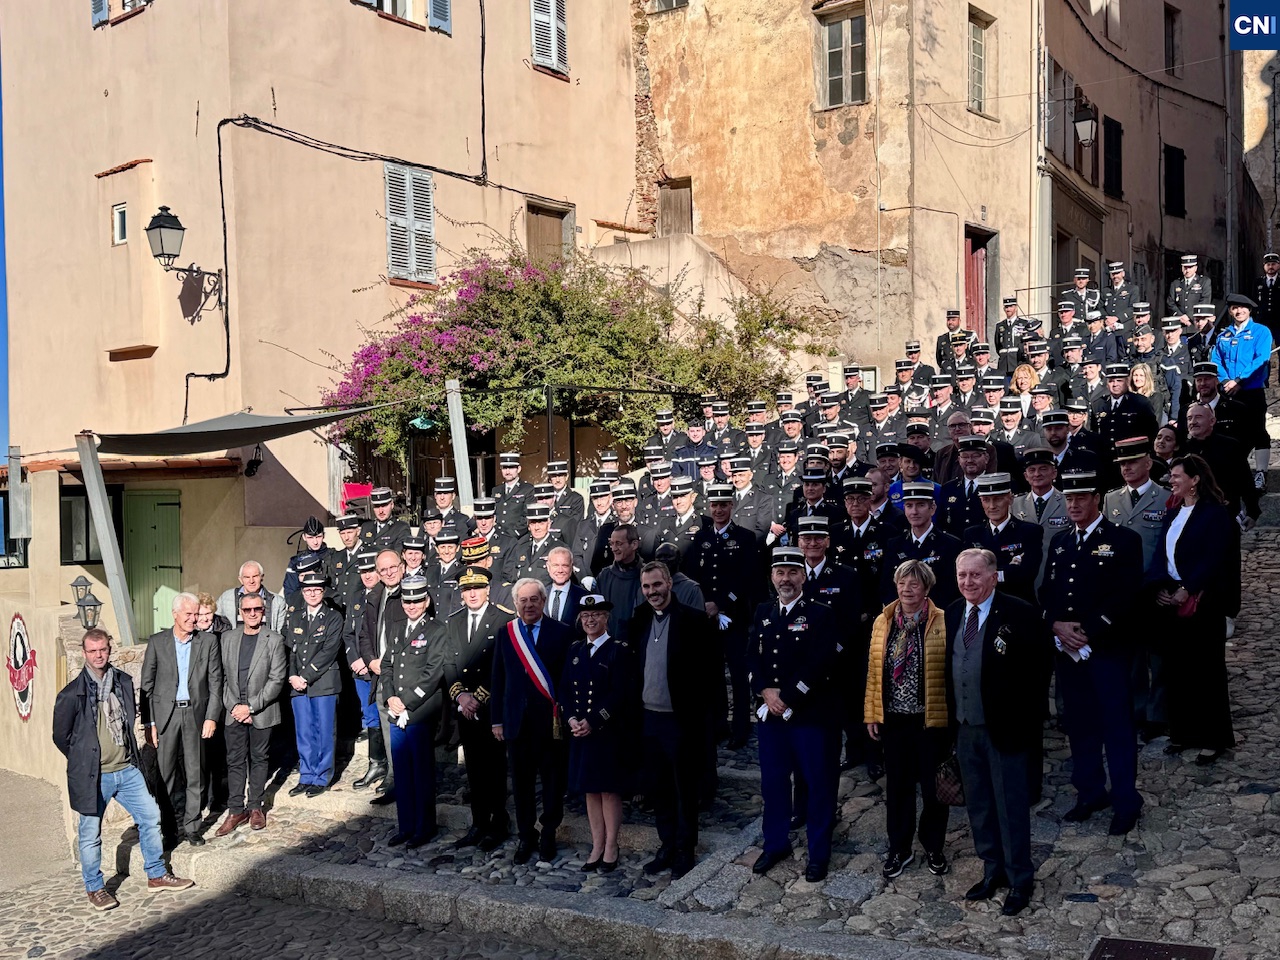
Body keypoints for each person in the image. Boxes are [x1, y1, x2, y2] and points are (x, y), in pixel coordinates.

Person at [54, 628, 195, 909]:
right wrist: (85, 758)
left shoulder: (122, 681)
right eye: (92, 651)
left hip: (127, 769)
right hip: (94, 775)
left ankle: (155, 874)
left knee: (151, 816)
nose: (98, 655)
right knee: (90, 833)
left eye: (103, 650)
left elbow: (129, 720)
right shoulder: (72, 694)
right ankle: (95, 888)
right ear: (84, 654)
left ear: (109, 650)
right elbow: (61, 736)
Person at [1040, 471, 1145, 836]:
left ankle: (1126, 800)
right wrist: (1054, 624)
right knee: (1080, 725)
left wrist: (1089, 630)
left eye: (1081, 498)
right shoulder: (1060, 542)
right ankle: (1090, 792)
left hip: (1105, 648)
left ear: (1096, 499)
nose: (1074, 505)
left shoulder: (1123, 540)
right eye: (1069, 499)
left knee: (1116, 726)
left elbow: (1127, 595)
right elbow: (1049, 591)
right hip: (1068, 652)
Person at [947, 549, 1050, 916]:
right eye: (962, 576)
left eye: (975, 576)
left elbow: (1040, 673)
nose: (968, 583)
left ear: (993, 577)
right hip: (966, 727)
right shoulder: (954, 612)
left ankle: (1020, 878)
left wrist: (1026, 723)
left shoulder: (1021, 613)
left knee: (1010, 806)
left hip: (1005, 730)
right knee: (979, 805)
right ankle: (993, 870)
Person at [748, 547, 842, 883]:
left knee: (818, 785)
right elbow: (752, 659)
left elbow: (821, 663)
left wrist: (787, 697)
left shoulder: (820, 614)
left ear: (803, 576)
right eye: (779, 573)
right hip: (773, 718)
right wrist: (765, 691)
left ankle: (819, 853)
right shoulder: (762, 611)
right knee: (773, 784)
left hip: (810, 716)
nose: (785, 579)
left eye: (792, 572)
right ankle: (775, 844)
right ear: (772, 577)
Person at [627, 561, 717, 878]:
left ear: (669, 583)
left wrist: (713, 723)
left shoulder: (694, 621)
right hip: (648, 719)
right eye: (647, 587)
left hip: (681, 721)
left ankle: (684, 848)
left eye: (657, 584)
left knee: (684, 789)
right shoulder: (638, 619)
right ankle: (666, 845)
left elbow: (712, 675)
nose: (653, 592)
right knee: (659, 788)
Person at [1145, 455, 1236, 764]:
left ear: (1195, 479)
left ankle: (1214, 738)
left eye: (1177, 475)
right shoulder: (1173, 514)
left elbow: (1214, 558)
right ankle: (1183, 733)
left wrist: (1189, 588)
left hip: (1202, 603)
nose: (1171, 480)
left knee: (1206, 671)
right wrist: (1160, 587)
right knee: (1177, 671)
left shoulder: (1214, 515)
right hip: (1171, 601)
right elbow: (1162, 554)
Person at [865, 560, 950, 880]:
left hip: (930, 721)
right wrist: (871, 713)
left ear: (927, 588)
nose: (907, 590)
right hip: (895, 720)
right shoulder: (883, 621)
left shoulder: (943, 620)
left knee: (933, 790)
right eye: (902, 583)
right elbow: (874, 671)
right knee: (898, 789)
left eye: (914, 584)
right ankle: (899, 848)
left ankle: (933, 846)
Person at [491, 578, 574, 864]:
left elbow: (567, 679)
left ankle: (549, 831)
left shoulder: (562, 633)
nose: (528, 605)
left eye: (534, 599)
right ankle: (526, 835)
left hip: (550, 722)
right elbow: (498, 678)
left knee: (552, 781)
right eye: (523, 600)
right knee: (522, 784)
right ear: (515, 604)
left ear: (542, 601)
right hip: (516, 722)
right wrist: (497, 720)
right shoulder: (507, 633)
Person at [681, 484, 761, 750]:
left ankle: (740, 727)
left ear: (732, 506)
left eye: (723, 505)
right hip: (707, 618)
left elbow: (748, 578)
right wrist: (705, 604)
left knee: (739, 676)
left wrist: (724, 605)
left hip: (734, 618)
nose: (718, 510)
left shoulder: (745, 538)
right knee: (711, 673)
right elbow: (693, 576)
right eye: (714, 506)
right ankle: (718, 724)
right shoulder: (701, 539)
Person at [140, 592, 223, 847]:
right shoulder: (157, 642)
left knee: (195, 772)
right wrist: (149, 723)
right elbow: (146, 685)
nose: (193, 619)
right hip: (166, 716)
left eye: (196, 614)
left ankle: (192, 826)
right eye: (188, 614)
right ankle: (169, 828)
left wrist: (211, 717)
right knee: (166, 775)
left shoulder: (207, 642)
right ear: (175, 614)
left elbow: (216, 682)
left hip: (195, 716)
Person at [560, 594, 634, 872]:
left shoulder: (618, 649)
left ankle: (611, 845)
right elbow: (565, 689)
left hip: (606, 731)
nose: (591, 620)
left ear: (606, 618)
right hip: (579, 731)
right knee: (590, 790)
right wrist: (570, 719)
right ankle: (597, 843)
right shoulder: (575, 650)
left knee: (608, 789)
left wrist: (592, 720)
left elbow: (620, 693)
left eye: (597, 615)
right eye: (586, 616)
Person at [446, 567, 512, 851]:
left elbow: (504, 665)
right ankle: (478, 823)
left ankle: (499, 823)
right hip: (465, 709)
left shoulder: (504, 619)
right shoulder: (453, 621)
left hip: (491, 707)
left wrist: (478, 697)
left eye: (477, 588)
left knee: (495, 767)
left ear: (487, 589)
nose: (472, 594)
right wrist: (460, 697)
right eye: (466, 589)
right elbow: (448, 662)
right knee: (472, 767)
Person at [214, 591, 287, 837]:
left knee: (259, 759)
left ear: (263, 611)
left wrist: (251, 707)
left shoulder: (274, 640)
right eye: (247, 610)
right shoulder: (228, 638)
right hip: (233, 711)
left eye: (257, 609)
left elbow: (277, 679)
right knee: (234, 761)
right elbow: (221, 677)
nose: (253, 613)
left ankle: (255, 806)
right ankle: (236, 809)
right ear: (240, 612)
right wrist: (234, 706)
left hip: (262, 711)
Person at [383, 575, 448, 847]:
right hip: (396, 711)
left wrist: (407, 702)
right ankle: (406, 825)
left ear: (426, 600)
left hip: (419, 712)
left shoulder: (436, 630)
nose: (411, 605)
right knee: (403, 772)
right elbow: (387, 666)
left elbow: (434, 673)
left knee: (421, 773)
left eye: (417, 600)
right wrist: (389, 697)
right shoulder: (397, 629)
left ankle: (425, 827)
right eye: (407, 600)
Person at [359, 548, 408, 805]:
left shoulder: (412, 593)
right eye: (383, 570)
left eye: (392, 567)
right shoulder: (374, 596)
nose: (389, 573)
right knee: (387, 729)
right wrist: (371, 661)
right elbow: (365, 634)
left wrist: (389, 663)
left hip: (402, 675)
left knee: (404, 730)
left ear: (402, 566)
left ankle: (404, 781)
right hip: (379, 673)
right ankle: (393, 776)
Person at [1213, 292, 1274, 490]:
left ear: (1249, 310)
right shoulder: (1224, 335)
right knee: (1231, 433)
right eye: (1234, 308)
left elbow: (1261, 360)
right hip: (1229, 391)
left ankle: (1261, 474)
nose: (1238, 311)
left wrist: (1239, 380)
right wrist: (1225, 381)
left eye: (1242, 308)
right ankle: (1236, 474)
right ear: (1230, 311)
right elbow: (1217, 361)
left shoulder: (1261, 332)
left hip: (1251, 390)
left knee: (1258, 431)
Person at [216, 561, 286, 633]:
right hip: (236, 643)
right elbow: (216, 623)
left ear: (262, 577)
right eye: (247, 577)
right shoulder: (226, 598)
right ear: (240, 579)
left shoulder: (277, 601)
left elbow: (281, 633)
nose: (251, 581)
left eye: (255, 576)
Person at [360, 486, 412, 554]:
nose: (380, 511)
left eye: (384, 505)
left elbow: (398, 555)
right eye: (377, 506)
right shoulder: (366, 527)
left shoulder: (401, 528)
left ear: (392, 505)